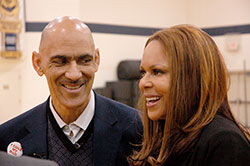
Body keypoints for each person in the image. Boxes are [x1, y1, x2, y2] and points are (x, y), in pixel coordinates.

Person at [0, 16, 142, 166]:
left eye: (85, 60)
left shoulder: (138, 131)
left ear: (97, 60)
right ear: (38, 63)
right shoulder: (7, 138)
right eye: (61, 62)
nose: (74, 75)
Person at [128, 24, 250, 166]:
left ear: (191, 78)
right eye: (143, 72)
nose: (143, 83)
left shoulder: (224, 142)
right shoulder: (162, 140)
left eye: (157, 72)